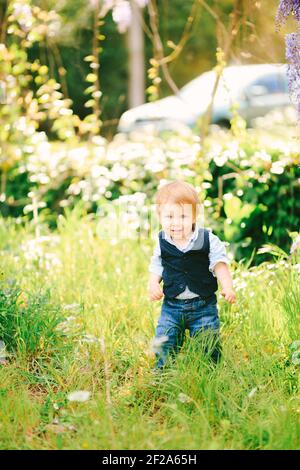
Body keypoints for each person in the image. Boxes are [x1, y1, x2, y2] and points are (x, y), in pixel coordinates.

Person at [148, 180, 236, 370]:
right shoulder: (162, 241)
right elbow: (157, 265)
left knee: (208, 342)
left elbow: (220, 264)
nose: (176, 223)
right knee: (165, 340)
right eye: (169, 216)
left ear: (195, 216)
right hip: (172, 306)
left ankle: (210, 373)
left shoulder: (207, 239)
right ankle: (163, 374)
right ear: (159, 216)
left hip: (203, 305)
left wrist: (227, 287)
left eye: (183, 216)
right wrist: (154, 284)